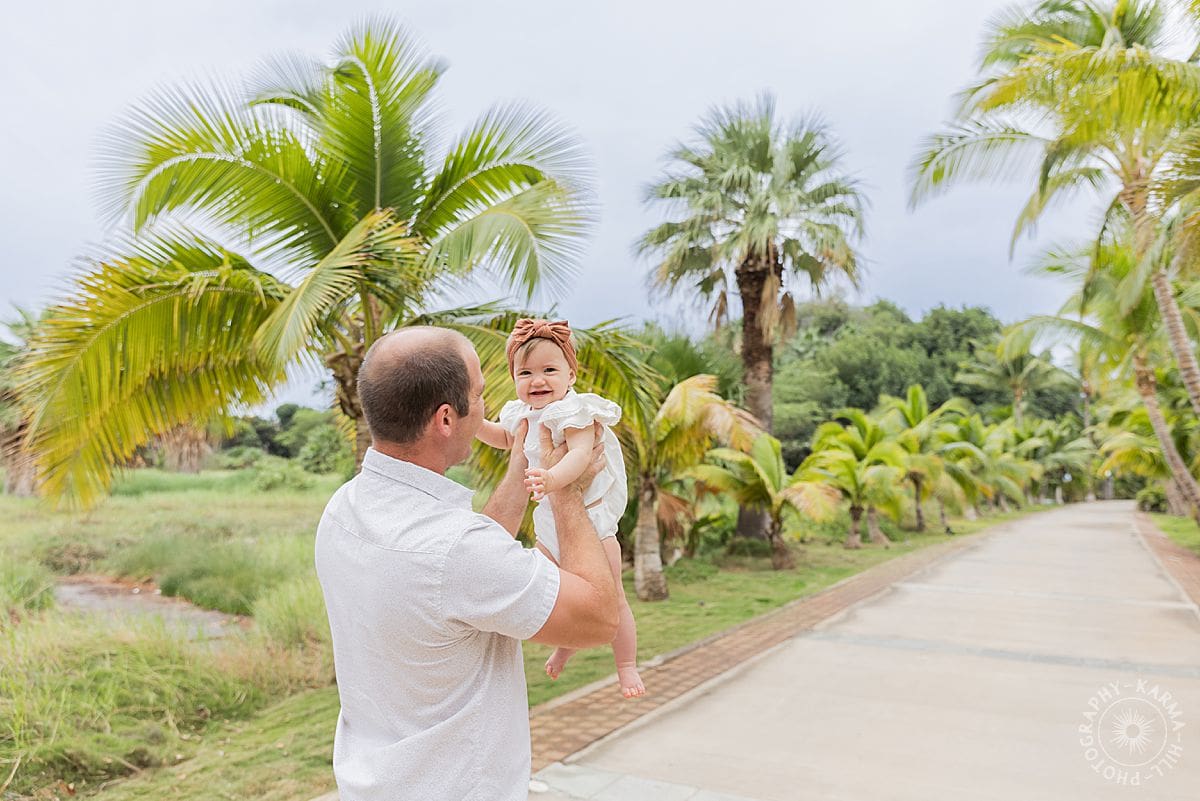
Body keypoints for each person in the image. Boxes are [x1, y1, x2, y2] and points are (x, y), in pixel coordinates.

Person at [314, 326, 620, 801]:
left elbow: (466, 570)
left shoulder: (344, 509)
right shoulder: (456, 551)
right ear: (445, 419)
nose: (485, 406)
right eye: (478, 394)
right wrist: (567, 493)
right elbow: (600, 618)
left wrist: (526, 461)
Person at [476, 318, 645, 698]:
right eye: (526, 372)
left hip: (593, 519)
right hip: (550, 522)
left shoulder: (575, 411)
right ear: (515, 378)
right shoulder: (521, 414)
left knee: (612, 594)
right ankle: (565, 646)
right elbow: (505, 439)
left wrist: (553, 480)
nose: (538, 380)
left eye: (549, 370)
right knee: (559, 594)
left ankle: (627, 666)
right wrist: (475, 425)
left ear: (571, 374)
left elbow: (582, 455)